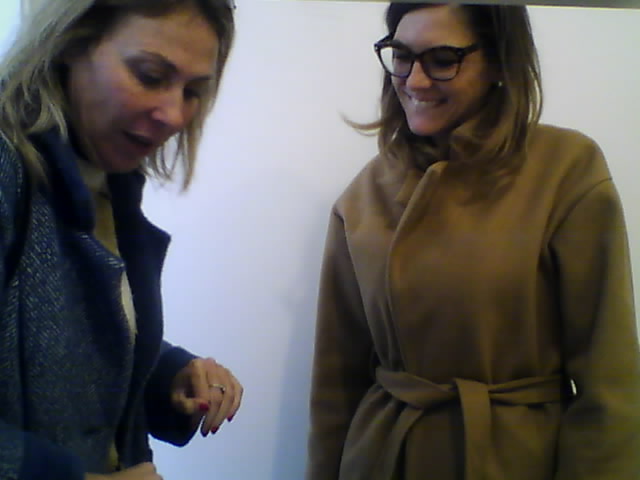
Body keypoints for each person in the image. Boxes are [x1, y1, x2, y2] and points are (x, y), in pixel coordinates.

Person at [306, 3, 640, 480]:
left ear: (500, 61)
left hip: (514, 460)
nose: (415, 80)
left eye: (443, 59)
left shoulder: (566, 170)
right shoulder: (364, 194)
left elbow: (610, 386)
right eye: (401, 55)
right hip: (383, 458)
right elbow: (335, 385)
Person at [0, 1, 242, 479]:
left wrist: (168, 372)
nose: (174, 114)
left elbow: (58, 349)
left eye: (193, 91)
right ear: (69, 43)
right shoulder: (9, 172)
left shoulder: (107, 180)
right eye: (150, 76)